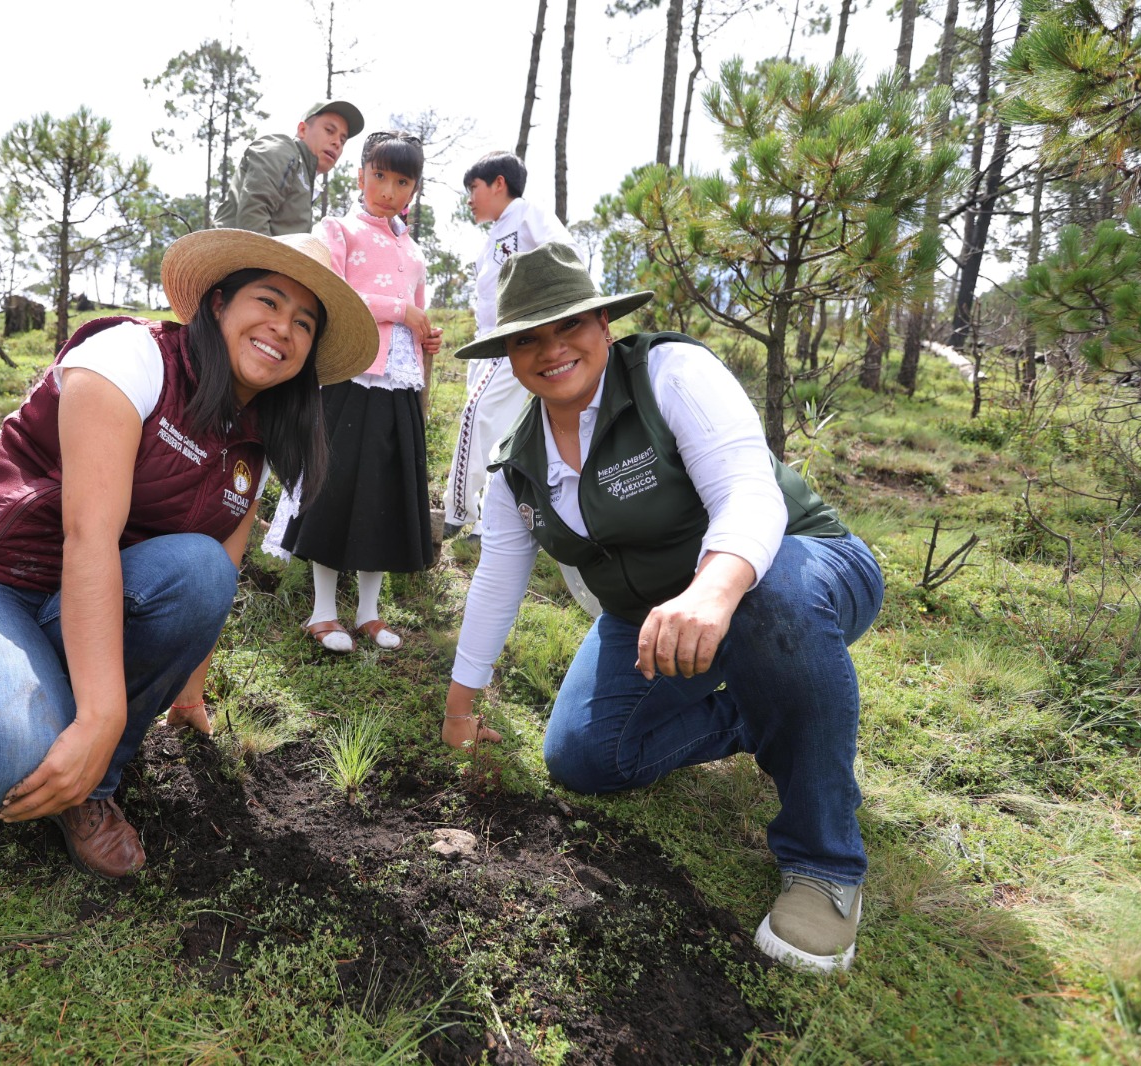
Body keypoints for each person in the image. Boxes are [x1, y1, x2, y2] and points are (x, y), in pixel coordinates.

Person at [0, 229, 376, 878]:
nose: (283, 328)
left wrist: (188, 694)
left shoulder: (253, 439)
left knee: (200, 570)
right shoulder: (132, 358)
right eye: (268, 302)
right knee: (1, 758)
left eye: (304, 322)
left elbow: (217, 570)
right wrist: (101, 715)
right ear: (218, 303)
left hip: (63, 604)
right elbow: (90, 538)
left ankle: (91, 786)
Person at [444, 242, 884, 973]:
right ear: (509, 354)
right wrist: (460, 709)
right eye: (528, 337)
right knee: (585, 757)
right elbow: (496, 580)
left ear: (603, 324)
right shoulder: (517, 464)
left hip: (795, 571)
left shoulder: (670, 374)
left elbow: (750, 490)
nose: (553, 350)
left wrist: (715, 587)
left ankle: (825, 864)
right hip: (651, 615)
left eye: (570, 326)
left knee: (760, 600)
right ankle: (776, 713)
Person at [266, 130, 441, 652]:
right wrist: (401, 312)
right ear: (360, 174)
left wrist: (425, 330)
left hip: (401, 381)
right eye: (380, 175)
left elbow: (418, 308)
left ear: (413, 188)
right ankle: (323, 612)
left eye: (402, 180)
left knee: (385, 490)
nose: (389, 189)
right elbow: (332, 294)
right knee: (335, 486)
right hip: (351, 374)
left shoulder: (412, 248)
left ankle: (368, 612)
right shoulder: (337, 230)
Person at [443, 151, 578, 541]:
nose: (469, 198)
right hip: (486, 342)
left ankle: (456, 510)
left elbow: (567, 254)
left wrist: (549, 319)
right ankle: (487, 522)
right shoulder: (495, 232)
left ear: (499, 183)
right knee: (501, 430)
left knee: (476, 414)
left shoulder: (527, 214)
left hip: (513, 340)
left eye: (474, 188)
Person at [214, 100, 365, 236]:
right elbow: (253, 216)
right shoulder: (282, 150)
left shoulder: (304, 175)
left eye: (342, 140)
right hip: (237, 260)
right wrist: (265, 267)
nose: (337, 142)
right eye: (329, 131)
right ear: (303, 130)